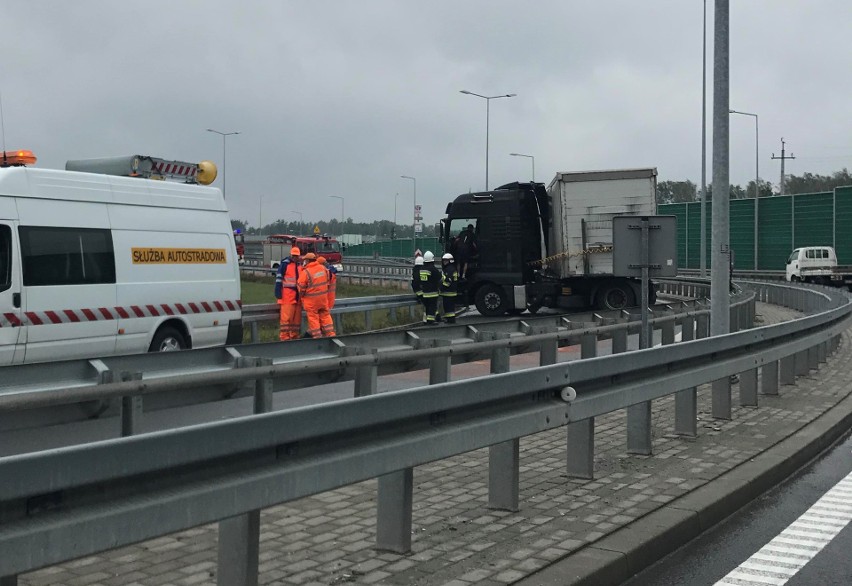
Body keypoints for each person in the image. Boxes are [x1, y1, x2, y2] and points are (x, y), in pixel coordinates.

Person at [298, 252, 336, 338]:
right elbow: (328, 281)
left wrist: (302, 296)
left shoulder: (306, 272)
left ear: (307, 261)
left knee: (313, 319)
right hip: (323, 300)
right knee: (326, 317)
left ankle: (317, 338)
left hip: (311, 302)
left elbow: (301, 289)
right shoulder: (323, 269)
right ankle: (331, 335)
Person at [273, 246, 302, 341]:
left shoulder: (299, 265)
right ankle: (284, 337)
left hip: (297, 296)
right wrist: (278, 292)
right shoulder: (285, 265)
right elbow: (278, 279)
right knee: (286, 318)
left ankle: (294, 336)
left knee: (296, 319)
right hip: (287, 295)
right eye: (294, 255)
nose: (295, 257)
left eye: (296, 256)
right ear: (291, 255)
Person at [418, 251, 442, 324]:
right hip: (433, 292)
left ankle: (427, 319)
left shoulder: (422, 269)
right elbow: (439, 278)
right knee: (432, 306)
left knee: (428, 307)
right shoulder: (433, 269)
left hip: (425, 292)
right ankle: (430, 320)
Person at [440, 253, 459, 324]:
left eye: (446, 260)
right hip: (450, 292)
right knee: (449, 307)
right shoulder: (451, 268)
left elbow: (448, 281)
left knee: (448, 307)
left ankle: (450, 320)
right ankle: (450, 319)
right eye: (444, 260)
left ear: (450, 261)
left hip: (449, 292)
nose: (444, 262)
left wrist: (442, 288)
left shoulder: (449, 269)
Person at [411, 255, 426, 322]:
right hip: (423, 291)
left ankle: (426, 319)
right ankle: (427, 319)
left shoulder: (414, 270)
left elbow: (414, 282)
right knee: (428, 306)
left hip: (416, 290)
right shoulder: (422, 270)